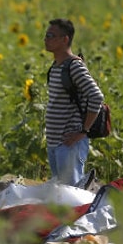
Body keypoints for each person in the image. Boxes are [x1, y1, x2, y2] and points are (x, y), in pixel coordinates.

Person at [44, 18, 104, 186]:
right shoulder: (56, 66)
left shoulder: (74, 67)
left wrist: (84, 131)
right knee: (61, 195)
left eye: (50, 35)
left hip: (70, 144)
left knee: (71, 196)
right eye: (46, 35)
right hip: (55, 142)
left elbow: (96, 96)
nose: (46, 39)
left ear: (65, 39)